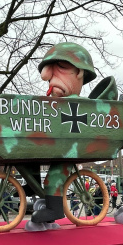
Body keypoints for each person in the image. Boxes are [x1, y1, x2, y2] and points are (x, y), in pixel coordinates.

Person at [24, 42, 98, 231]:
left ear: (80, 72)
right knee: (26, 151)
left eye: (62, 67)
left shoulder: (79, 104)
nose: (47, 76)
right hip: (58, 145)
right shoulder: (57, 105)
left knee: (55, 174)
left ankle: (56, 210)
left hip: (70, 147)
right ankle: (32, 185)